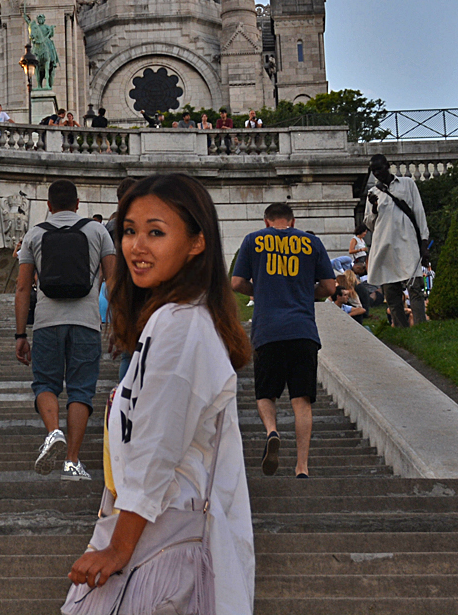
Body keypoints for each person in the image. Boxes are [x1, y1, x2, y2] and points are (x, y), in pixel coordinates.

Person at [66, 172, 254, 613]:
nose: (137, 246)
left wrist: (118, 548)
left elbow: (156, 449)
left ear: (196, 242)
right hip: (161, 533)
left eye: (156, 232)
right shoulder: (177, 320)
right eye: (129, 231)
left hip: (160, 541)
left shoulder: (179, 325)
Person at [16, 179, 117, 480]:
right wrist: (119, 325)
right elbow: (113, 283)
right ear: (77, 204)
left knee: (45, 383)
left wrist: (21, 334)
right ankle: (72, 461)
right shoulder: (97, 231)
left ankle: (53, 432)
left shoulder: (34, 234)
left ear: (48, 206)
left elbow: (22, 288)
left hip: (47, 321)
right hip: (87, 322)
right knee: (81, 389)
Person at [230, 201, 336, 478]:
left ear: (267, 222)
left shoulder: (253, 240)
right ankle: (302, 466)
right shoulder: (310, 242)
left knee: (266, 394)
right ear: (293, 220)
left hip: (268, 331)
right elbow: (329, 286)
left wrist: (259, 291)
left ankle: (272, 430)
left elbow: (236, 282)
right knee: (301, 400)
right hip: (302, 331)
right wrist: (304, 293)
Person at [360, 154, 427, 328]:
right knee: (391, 291)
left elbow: (418, 211)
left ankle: (420, 326)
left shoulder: (407, 184)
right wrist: (374, 207)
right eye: (373, 170)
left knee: (414, 285)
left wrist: (424, 241)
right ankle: (400, 328)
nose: (377, 173)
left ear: (387, 166)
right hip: (385, 244)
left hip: (407, 242)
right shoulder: (372, 193)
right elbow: (370, 223)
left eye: (380, 168)